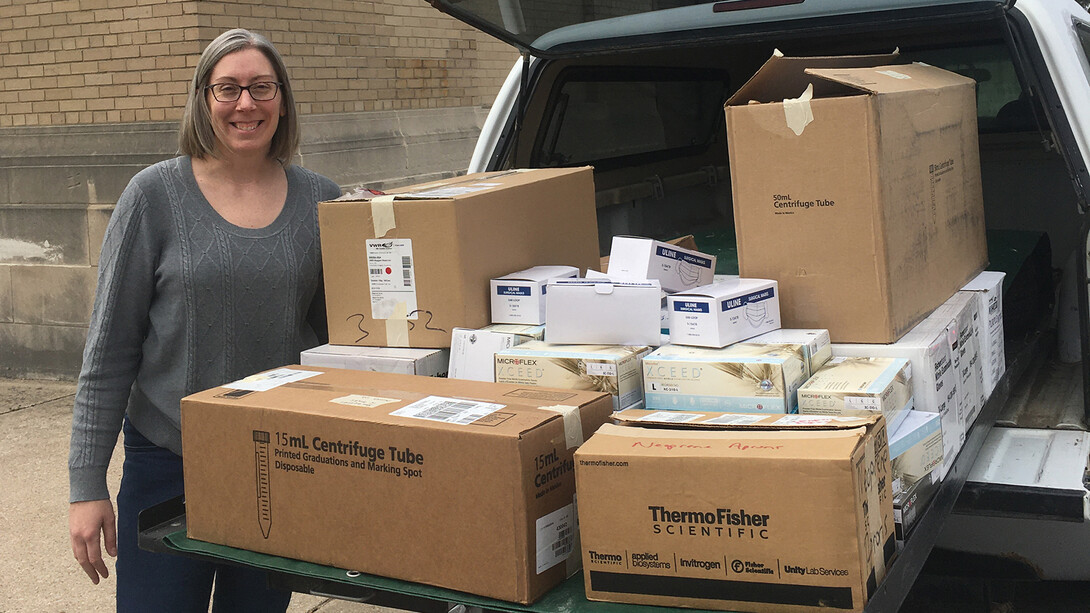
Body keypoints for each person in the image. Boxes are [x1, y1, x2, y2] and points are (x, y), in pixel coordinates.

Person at [67, 28, 341, 612]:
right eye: (229, 89)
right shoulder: (154, 196)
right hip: (167, 461)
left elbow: (346, 348)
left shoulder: (322, 202)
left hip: (278, 463)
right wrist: (86, 485)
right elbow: (109, 351)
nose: (247, 104)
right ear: (203, 100)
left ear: (283, 100)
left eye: (262, 87)